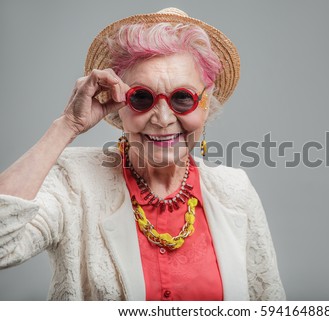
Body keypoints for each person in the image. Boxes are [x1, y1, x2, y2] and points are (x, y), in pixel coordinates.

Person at [0, 7, 285, 301]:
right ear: (119, 103)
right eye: (141, 97)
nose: (162, 118)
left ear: (205, 103)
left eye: (183, 98)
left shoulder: (235, 190)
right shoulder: (74, 182)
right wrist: (66, 126)